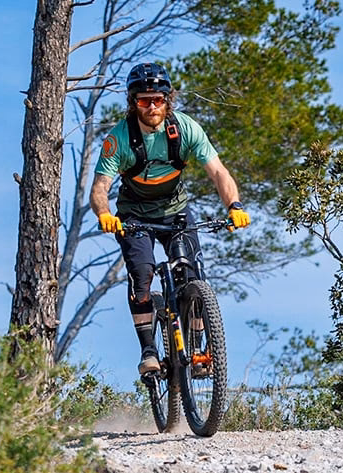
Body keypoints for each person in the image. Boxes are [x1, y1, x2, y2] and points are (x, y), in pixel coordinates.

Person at [89, 62, 250, 375]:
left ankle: (201, 351)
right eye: (143, 100)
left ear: (167, 99)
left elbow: (218, 172)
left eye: (158, 99)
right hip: (134, 216)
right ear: (133, 102)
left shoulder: (186, 129)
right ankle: (148, 350)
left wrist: (235, 205)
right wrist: (105, 213)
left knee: (193, 275)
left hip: (176, 212)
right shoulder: (119, 138)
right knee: (143, 274)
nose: (151, 106)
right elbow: (100, 187)